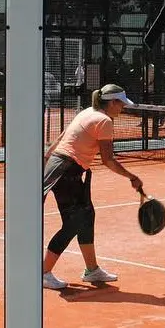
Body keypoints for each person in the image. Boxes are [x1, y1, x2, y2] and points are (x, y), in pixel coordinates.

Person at [42, 83, 143, 290]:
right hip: (66, 170)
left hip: (63, 167)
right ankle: (43, 272)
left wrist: (45, 160)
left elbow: (61, 137)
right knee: (74, 222)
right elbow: (108, 160)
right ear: (112, 102)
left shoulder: (88, 112)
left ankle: (92, 270)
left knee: (86, 216)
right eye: (121, 104)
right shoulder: (104, 121)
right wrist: (132, 177)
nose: (122, 108)